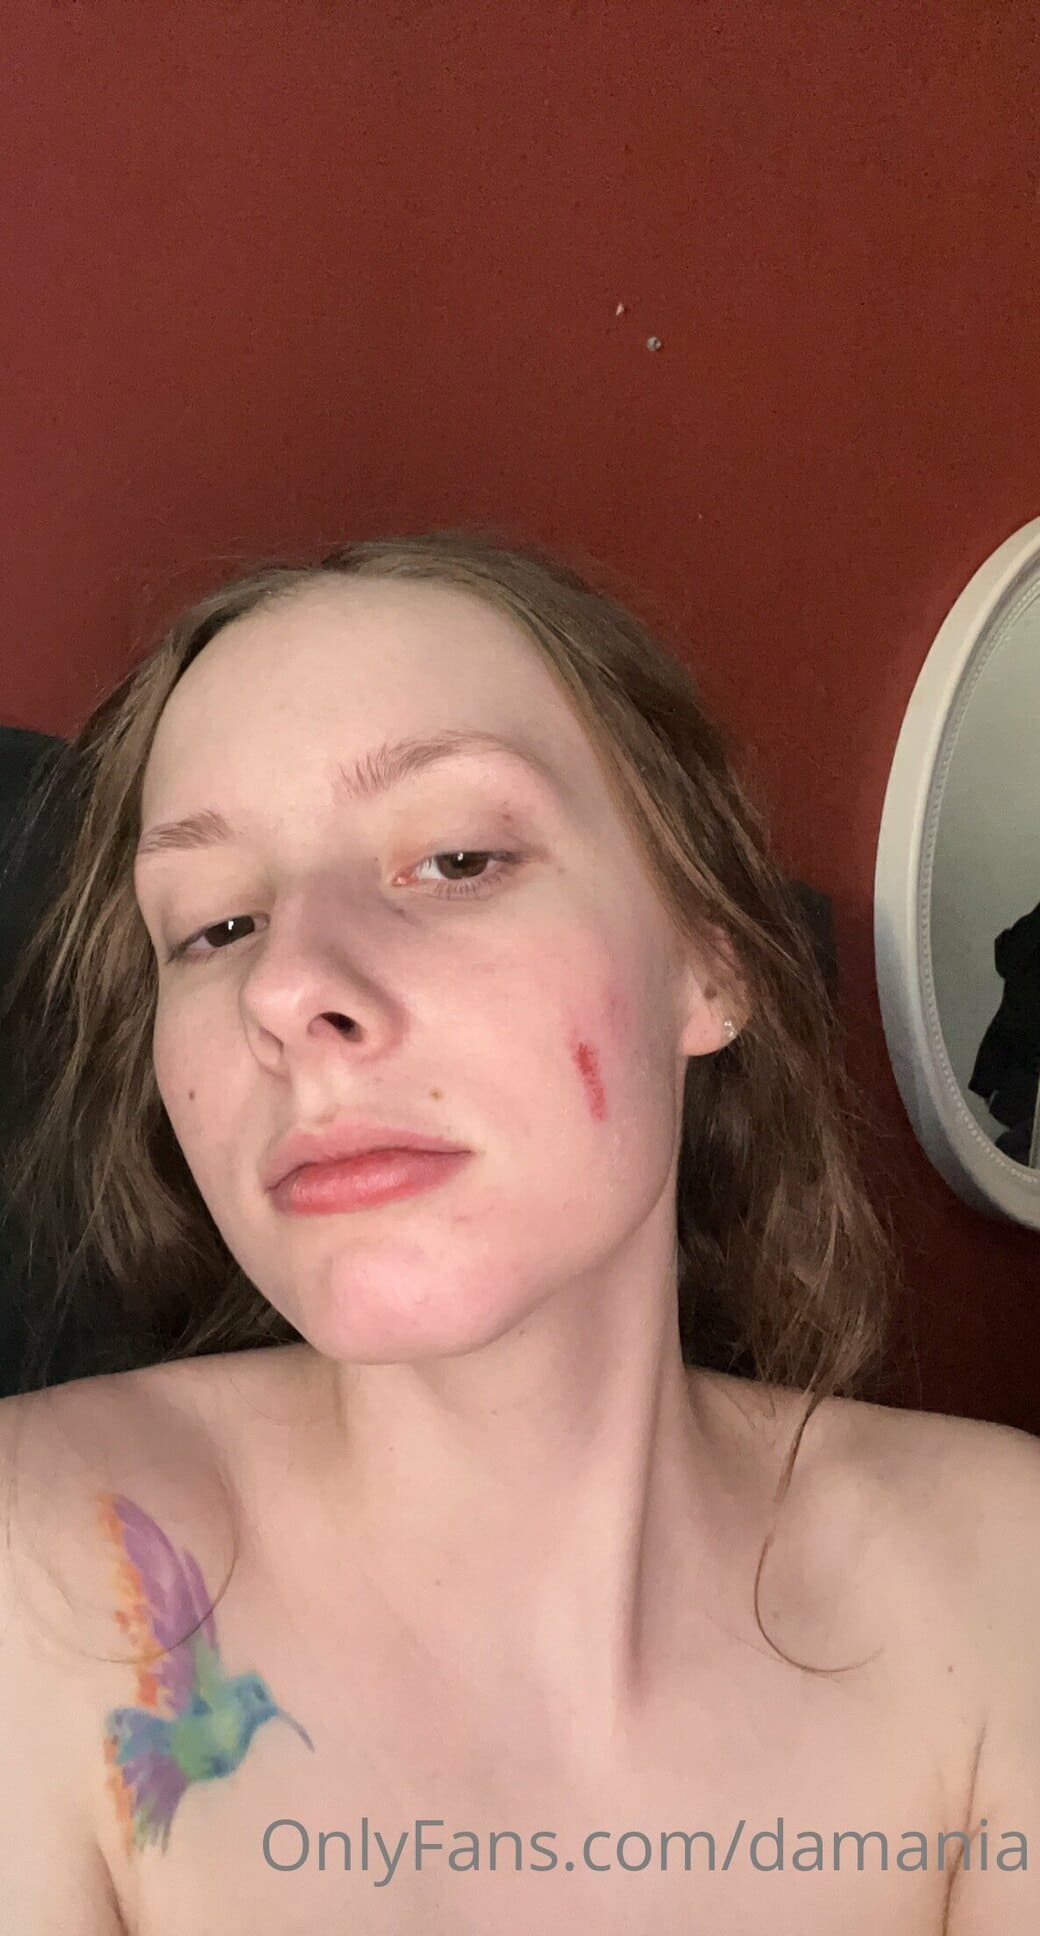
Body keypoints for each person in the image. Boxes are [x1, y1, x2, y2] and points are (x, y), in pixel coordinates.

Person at [0, 528, 1036, 1934]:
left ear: (708, 960)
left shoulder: (1003, 1592)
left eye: (457, 857)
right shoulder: (39, 1585)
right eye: (217, 926)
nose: (286, 988)